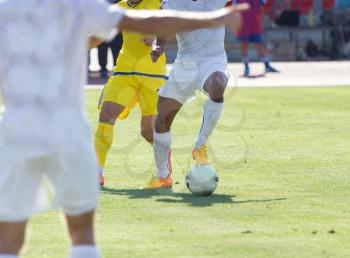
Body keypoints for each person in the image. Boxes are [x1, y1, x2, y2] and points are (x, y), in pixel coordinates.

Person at [0, 0, 245, 257]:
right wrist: (212, 19)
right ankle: (121, 172)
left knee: (8, 238)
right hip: (68, 130)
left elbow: (141, 25)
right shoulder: (76, 6)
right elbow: (147, 22)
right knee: (81, 231)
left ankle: (161, 171)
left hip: (17, 130)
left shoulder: (6, 9)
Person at [143, 0, 243, 189]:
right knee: (162, 119)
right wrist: (159, 45)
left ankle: (200, 146)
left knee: (218, 84)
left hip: (213, 62)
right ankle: (162, 177)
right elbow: (164, 24)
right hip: (185, 65)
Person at [93, 0, 169, 187]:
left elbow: (170, 27)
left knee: (148, 131)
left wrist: (157, 39)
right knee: (106, 115)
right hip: (124, 72)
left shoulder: (158, 3)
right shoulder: (119, 7)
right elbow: (100, 36)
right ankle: (96, 174)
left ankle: (164, 175)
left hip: (152, 74)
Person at [229, 0, 278, 77]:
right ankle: (246, 66)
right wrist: (236, 24)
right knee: (244, 44)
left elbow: (261, 8)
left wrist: (260, 22)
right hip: (243, 24)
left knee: (258, 44)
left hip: (254, 23)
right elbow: (234, 9)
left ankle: (267, 65)